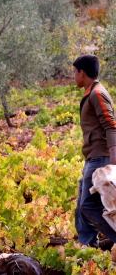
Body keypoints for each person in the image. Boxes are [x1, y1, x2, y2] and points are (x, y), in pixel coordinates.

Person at [72, 55, 116, 249]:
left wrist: (113, 158)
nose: (73, 76)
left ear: (82, 72)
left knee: (88, 206)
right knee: (81, 205)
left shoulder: (97, 93)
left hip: (100, 157)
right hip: (93, 156)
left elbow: (111, 125)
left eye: (75, 71)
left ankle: (109, 239)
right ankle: (87, 246)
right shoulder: (91, 92)